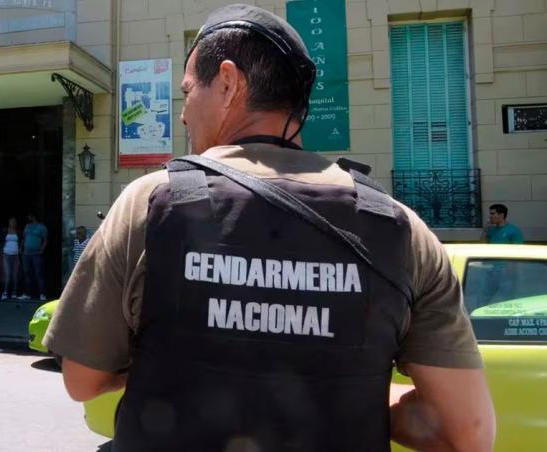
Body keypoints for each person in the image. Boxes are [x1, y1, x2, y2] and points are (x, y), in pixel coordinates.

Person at [44, 5, 495, 452]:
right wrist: (348, 394)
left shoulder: (150, 203)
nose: (183, 114)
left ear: (226, 83)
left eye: (187, 93)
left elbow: (83, 378)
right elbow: (467, 433)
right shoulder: (401, 229)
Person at [20, 212, 47, 301]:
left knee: (38, 273)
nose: (28, 217)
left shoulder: (41, 227)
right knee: (27, 273)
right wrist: (21, 248)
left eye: (29, 215)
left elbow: (45, 239)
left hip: (36, 254)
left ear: (33, 216)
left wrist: (42, 250)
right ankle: (27, 294)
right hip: (26, 254)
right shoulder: (27, 226)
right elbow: (24, 238)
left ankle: (42, 294)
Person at [0, 217, 21, 299]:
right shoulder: (4, 231)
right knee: (7, 274)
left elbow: (21, 242)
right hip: (6, 255)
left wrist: (19, 252)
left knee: (15, 274)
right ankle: (4, 292)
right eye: (12, 222)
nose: (13, 223)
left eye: (14, 222)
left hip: (16, 255)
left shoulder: (18, 232)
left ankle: (14, 292)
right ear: (9, 223)